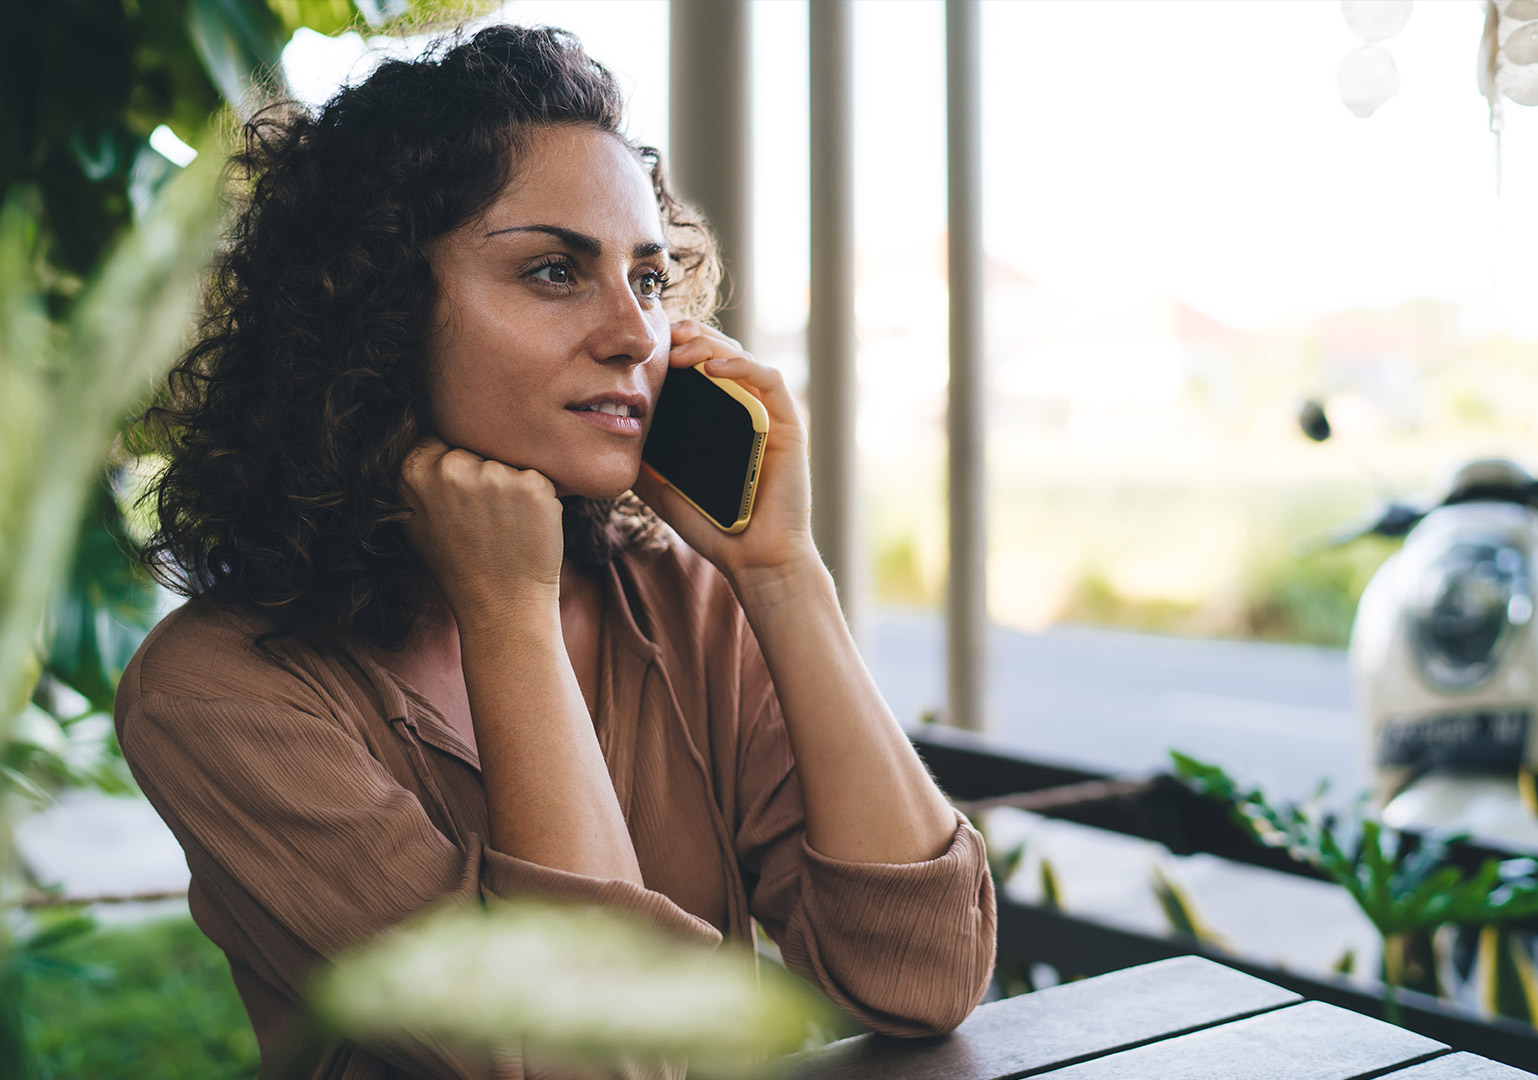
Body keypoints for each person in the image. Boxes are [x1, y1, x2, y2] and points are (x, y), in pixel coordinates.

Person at [117, 23, 995, 1080]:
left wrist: (782, 574)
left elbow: (924, 976)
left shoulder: (681, 598)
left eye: (650, 279)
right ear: (375, 315)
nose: (635, 333)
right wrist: (509, 618)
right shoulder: (219, 699)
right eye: (551, 271)